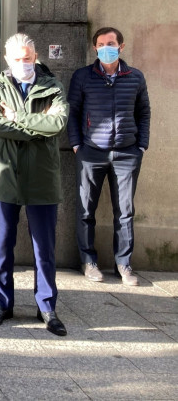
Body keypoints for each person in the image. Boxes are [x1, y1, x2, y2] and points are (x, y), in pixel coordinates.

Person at [0, 33, 68, 336]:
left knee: (44, 247)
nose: (23, 63)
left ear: (35, 56)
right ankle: (2, 304)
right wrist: (36, 125)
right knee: (3, 246)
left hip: (42, 176)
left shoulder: (52, 86)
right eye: (17, 59)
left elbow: (57, 124)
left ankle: (46, 306)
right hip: (6, 176)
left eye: (28, 58)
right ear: (7, 59)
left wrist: (17, 117)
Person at [68, 27, 150, 286]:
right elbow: (73, 112)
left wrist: (142, 146)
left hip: (127, 153)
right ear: (95, 48)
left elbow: (144, 112)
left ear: (121, 46)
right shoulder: (83, 76)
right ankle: (89, 262)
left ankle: (124, 264)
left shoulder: (135, 77)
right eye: (101, 44)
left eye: (111, 43)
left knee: (125, 212)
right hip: (91, 152)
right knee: (85, 210)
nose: (106, 47)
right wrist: (76, 145)